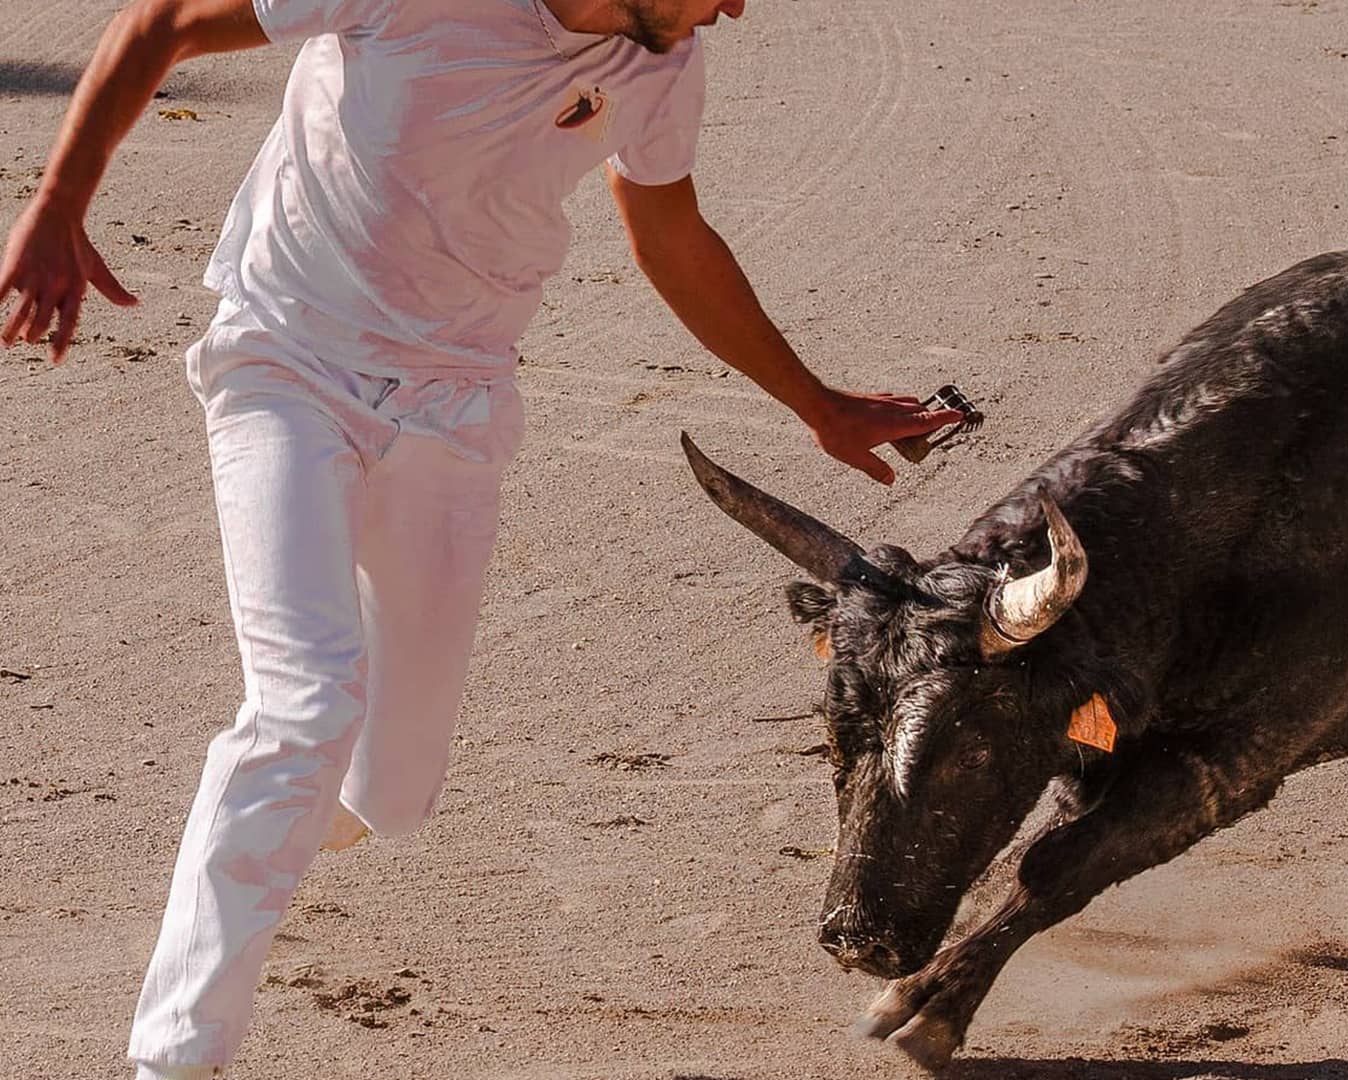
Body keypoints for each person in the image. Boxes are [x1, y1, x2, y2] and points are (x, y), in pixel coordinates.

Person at [0, 1, 961, 1076]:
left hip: (455, 401)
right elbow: (164, 20)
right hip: (287, 361)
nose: (733, 6)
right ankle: (176, 1055)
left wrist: (814, 403)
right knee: (305, 704)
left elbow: (670, 235)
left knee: (390, 792)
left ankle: (272, 816)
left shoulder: (663, 61)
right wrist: (56, 201)